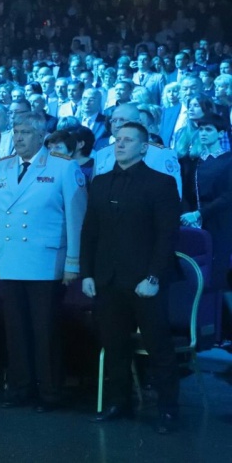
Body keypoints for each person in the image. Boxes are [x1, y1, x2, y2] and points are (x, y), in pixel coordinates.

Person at [81, 122, 180, 435]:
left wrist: (153, 276)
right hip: (108, 278)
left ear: (144, 147)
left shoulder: (161, 183)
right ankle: (118, 402)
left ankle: (168, 409)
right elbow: (90, 231)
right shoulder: (100, 182)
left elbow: (166, 236)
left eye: (127, 140)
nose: (120, 144)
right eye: (117, 140)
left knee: (158, 346)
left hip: (144, 281)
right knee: (113, 345)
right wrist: (86, 273)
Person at [0, 112, 87, 412]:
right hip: (10, 259)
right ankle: (20, 387)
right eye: (16, 132)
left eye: (26, 132)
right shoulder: (1, 167)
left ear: (41, 136)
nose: (18, 137)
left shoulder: (63, 167)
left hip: (46, 260)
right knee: (15, 329)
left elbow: (77, 218)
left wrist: (73, 261)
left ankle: (50, 391)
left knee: (45, 330)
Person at [180, 114, 232, 299]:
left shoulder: (228, 160)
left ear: (221, 133)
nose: (203, 133)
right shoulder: (194, 161)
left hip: (220, 222)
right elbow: (186, 192)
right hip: (196, 223)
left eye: (208, 130)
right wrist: (189, 215)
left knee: (219, 274)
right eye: (201, 130)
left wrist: (199, 214)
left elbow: (228, 196)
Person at [93, 104, 182, 197]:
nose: (117, 125)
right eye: (114, 120)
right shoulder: (101, 155)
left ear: (138, 123)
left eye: (122, 120)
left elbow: (172, 194)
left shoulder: (162, 154)